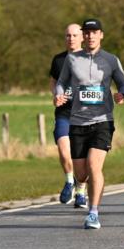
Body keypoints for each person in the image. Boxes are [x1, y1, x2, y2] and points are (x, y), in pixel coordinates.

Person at [54, 18, 124, 229]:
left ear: (101, 35)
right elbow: (61, 82)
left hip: (103, 120)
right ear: (83, 36)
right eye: (86, 33)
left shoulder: (111, 60)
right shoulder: (72, 60)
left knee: (95, 166)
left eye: (94, 32)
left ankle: (93, 213)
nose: (90, 36)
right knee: (81, 173)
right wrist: (59, 95)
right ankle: (80, 185)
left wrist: (122, 94)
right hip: (77, 122)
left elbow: (123, 83)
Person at [49, 23, 83, 205]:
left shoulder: (90, 58)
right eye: (68, 36)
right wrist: (56, 95)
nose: (71, 39)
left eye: (74, 35)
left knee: (81, 157)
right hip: (64, 113)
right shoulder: (58, 60)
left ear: (82, 37)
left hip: (85, 115)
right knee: (64, 150)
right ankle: (70, 181)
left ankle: (81, 191)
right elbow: (53, 82)